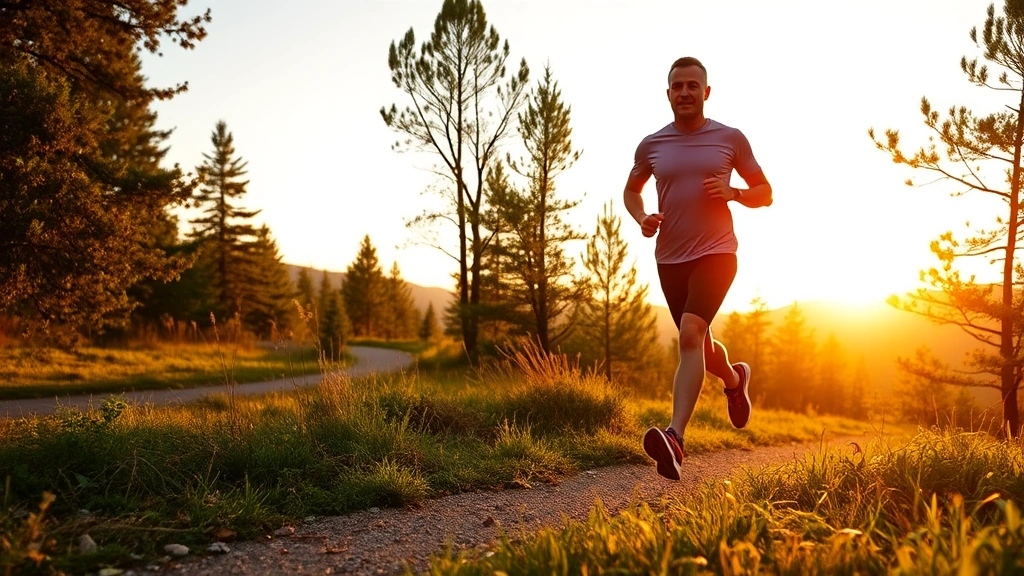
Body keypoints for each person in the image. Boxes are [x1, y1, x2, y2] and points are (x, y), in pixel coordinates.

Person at [623, 56, 773, 481]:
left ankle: (675, 439)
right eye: (677, 86)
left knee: (689, 334)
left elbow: (766, 192)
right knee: (701, 347)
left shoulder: (730, 138)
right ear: (668, 93)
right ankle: (733, 378)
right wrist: (642, 217)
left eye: (693, 86)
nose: (685, 92)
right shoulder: (651, 145)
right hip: (670, 258)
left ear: (706, 92)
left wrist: (734, 192)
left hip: (717, 252)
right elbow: (631, 190)